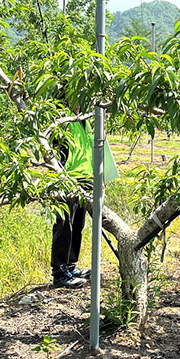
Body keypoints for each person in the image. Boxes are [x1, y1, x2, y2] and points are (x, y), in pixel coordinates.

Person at [51, 118, 119, 288]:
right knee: (64, 224)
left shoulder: (85, 120)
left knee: (77, 225)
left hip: (86, 178)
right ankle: (60, 274)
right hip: (68, 179)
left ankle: (70, 266)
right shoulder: (62, 118)